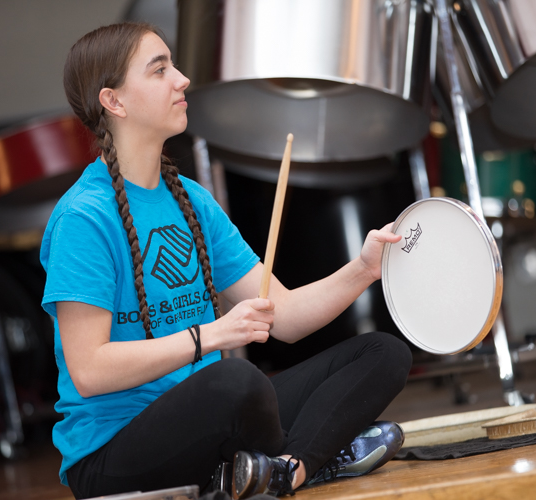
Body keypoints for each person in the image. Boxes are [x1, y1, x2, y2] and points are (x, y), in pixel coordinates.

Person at [41, 22, 412, 499]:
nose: (182, 79)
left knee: (382, 352)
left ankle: (287, 470)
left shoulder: (191, 200)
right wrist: (213, 335)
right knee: (236, 381)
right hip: (114, 453)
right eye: (160, 71)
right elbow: (90, 371)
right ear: (114, 101)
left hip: (212, 419)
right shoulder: (83, 218)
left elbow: (287, 317)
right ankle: (312, 454)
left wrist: (363, 269)